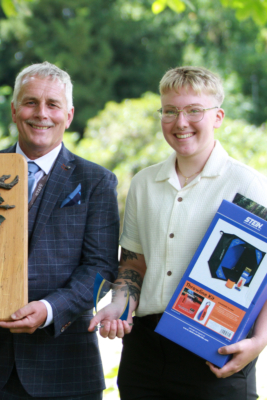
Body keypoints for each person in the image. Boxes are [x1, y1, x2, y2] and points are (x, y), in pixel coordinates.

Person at [0, 61, 119, 399]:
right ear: (14, 110)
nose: (41, 114)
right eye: (31, 102)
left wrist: (51, 309)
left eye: (53, 104)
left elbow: (101, 270)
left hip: (67, 370)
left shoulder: (96, 182)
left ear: (69, 114)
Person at [89, 66, 267, 400]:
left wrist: (259, 341)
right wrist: (120, 305)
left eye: (193, 111)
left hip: (215, 350)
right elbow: (134, 265)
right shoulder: (144, 183)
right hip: (145, 353)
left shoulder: (250, 186)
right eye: (170, 111)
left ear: (218, 116)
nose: (180, 122)